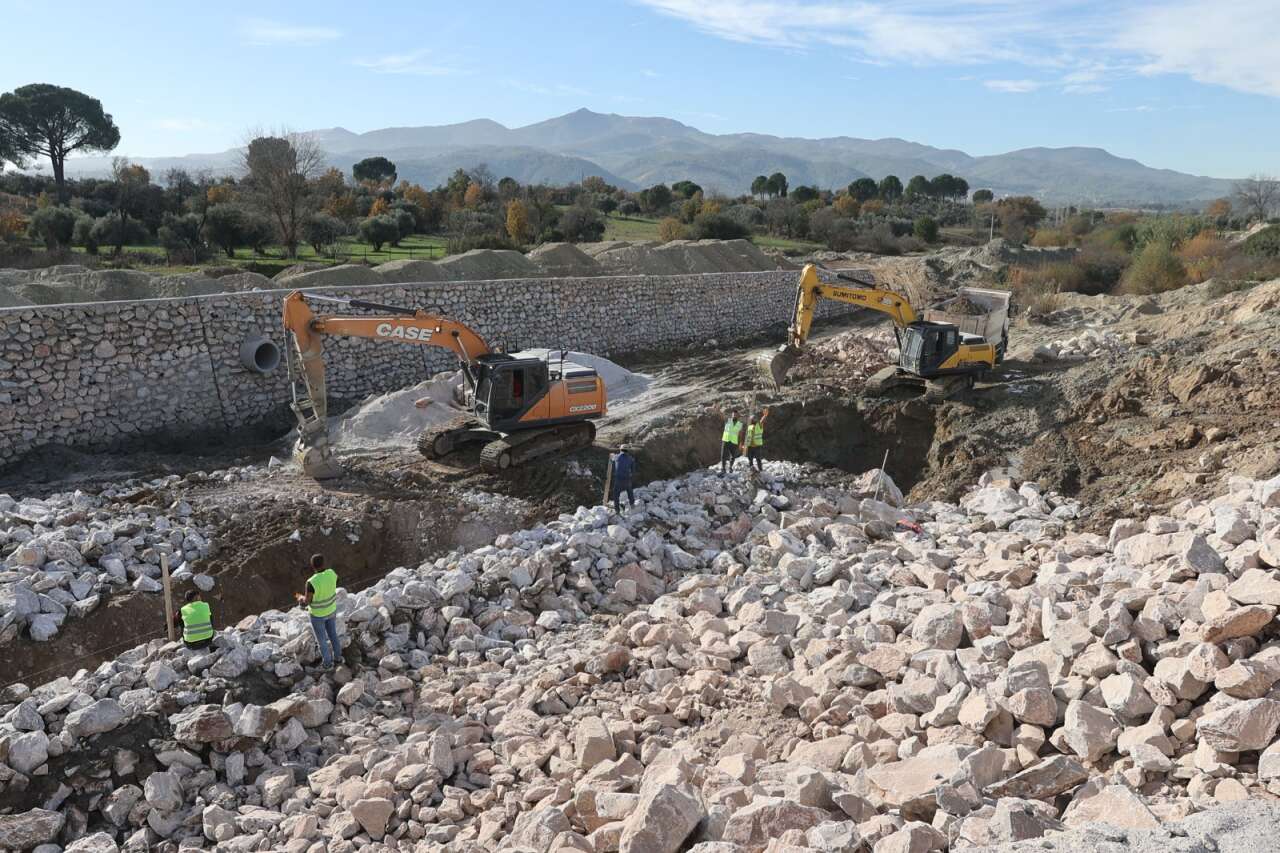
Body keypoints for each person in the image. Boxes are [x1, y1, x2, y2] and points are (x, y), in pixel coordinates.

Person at [296, 553, 341, 670]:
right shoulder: (331, 573)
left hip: (318, 616)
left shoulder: (311, 582)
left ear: (312, 566)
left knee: (322, 640)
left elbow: (307, 602)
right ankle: (338, 658)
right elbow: (332, 584)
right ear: (323, 563)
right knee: (333, 635)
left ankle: (327, 664)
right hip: (331, 610)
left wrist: (300, 598)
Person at [610, 444, 636, 513]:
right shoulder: (631, 459)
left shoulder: (616, 457)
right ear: (628, 450)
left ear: (620, 450)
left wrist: (612, 455)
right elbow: (633, 471)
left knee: (616, 494)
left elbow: (612, 457)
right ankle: (632, 504)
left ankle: (617, 510)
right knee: (630, 491)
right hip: (627, 478)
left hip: (618, 479)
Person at [742, 408, 770, 472]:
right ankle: (752, 470)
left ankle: (760, 470)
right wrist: (745, 446)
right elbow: (748, 437)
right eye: (752, 419)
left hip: (757, 446)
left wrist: (765, 415)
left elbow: (762, 420)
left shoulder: (759, 425)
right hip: (750, 446)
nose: (753, 420)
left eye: (753, 419)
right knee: (750, 459)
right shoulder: (749, 427)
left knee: (758, 459)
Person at [718, 408, 744, 475]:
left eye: (735, 415)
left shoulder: (740, 424)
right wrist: (718, 410)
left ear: (738, 416)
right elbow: (722, 415)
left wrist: (741, 443)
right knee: (723, 455)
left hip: (734, 442)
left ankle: (730, 467)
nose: (734, 416)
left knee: (733, 456)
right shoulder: (728, 420)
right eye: (733, 415)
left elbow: (740, 434)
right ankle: (723, 469)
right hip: (726, 440)